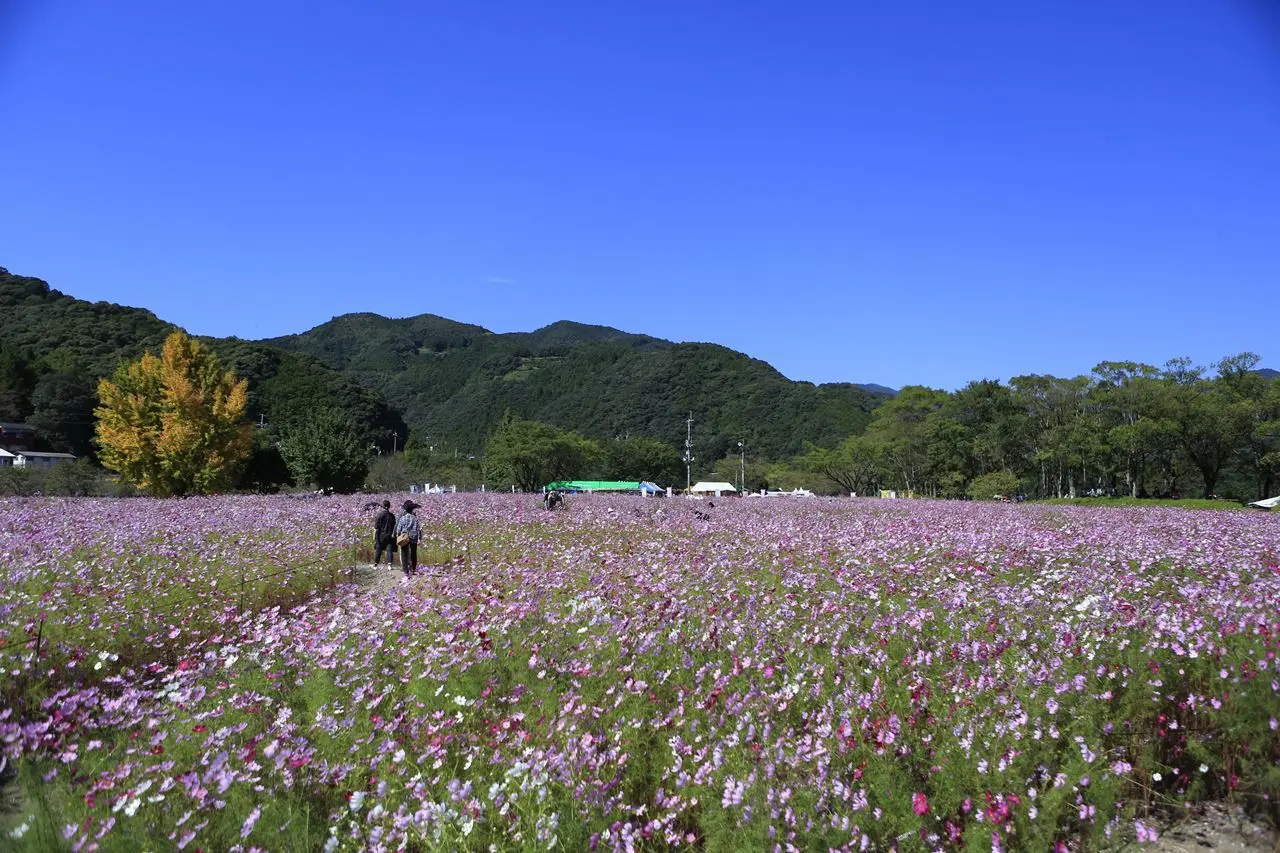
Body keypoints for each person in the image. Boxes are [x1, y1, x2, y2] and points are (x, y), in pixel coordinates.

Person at [394, 500, 422, 577]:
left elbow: (399, 529)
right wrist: (420, 538)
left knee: (404, 553)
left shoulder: (402, 518)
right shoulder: (415, 518)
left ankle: (405, 570)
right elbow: (419, 529)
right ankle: (413, 569)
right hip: (414, 537)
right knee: (413, 553)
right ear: (412, 509)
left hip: (404, 537)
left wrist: (397, 535)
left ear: (405, 510)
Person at [372, 500, 397, 568]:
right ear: (389, 506)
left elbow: (376, 527)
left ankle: (375, 565)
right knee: (389, 550)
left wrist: (374, 536)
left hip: (381, 535)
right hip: (390, 535)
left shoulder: (380, 515)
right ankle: (389, 565)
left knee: (378, 549)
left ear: (382, 506)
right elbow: (394, 526)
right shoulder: (392, 515)